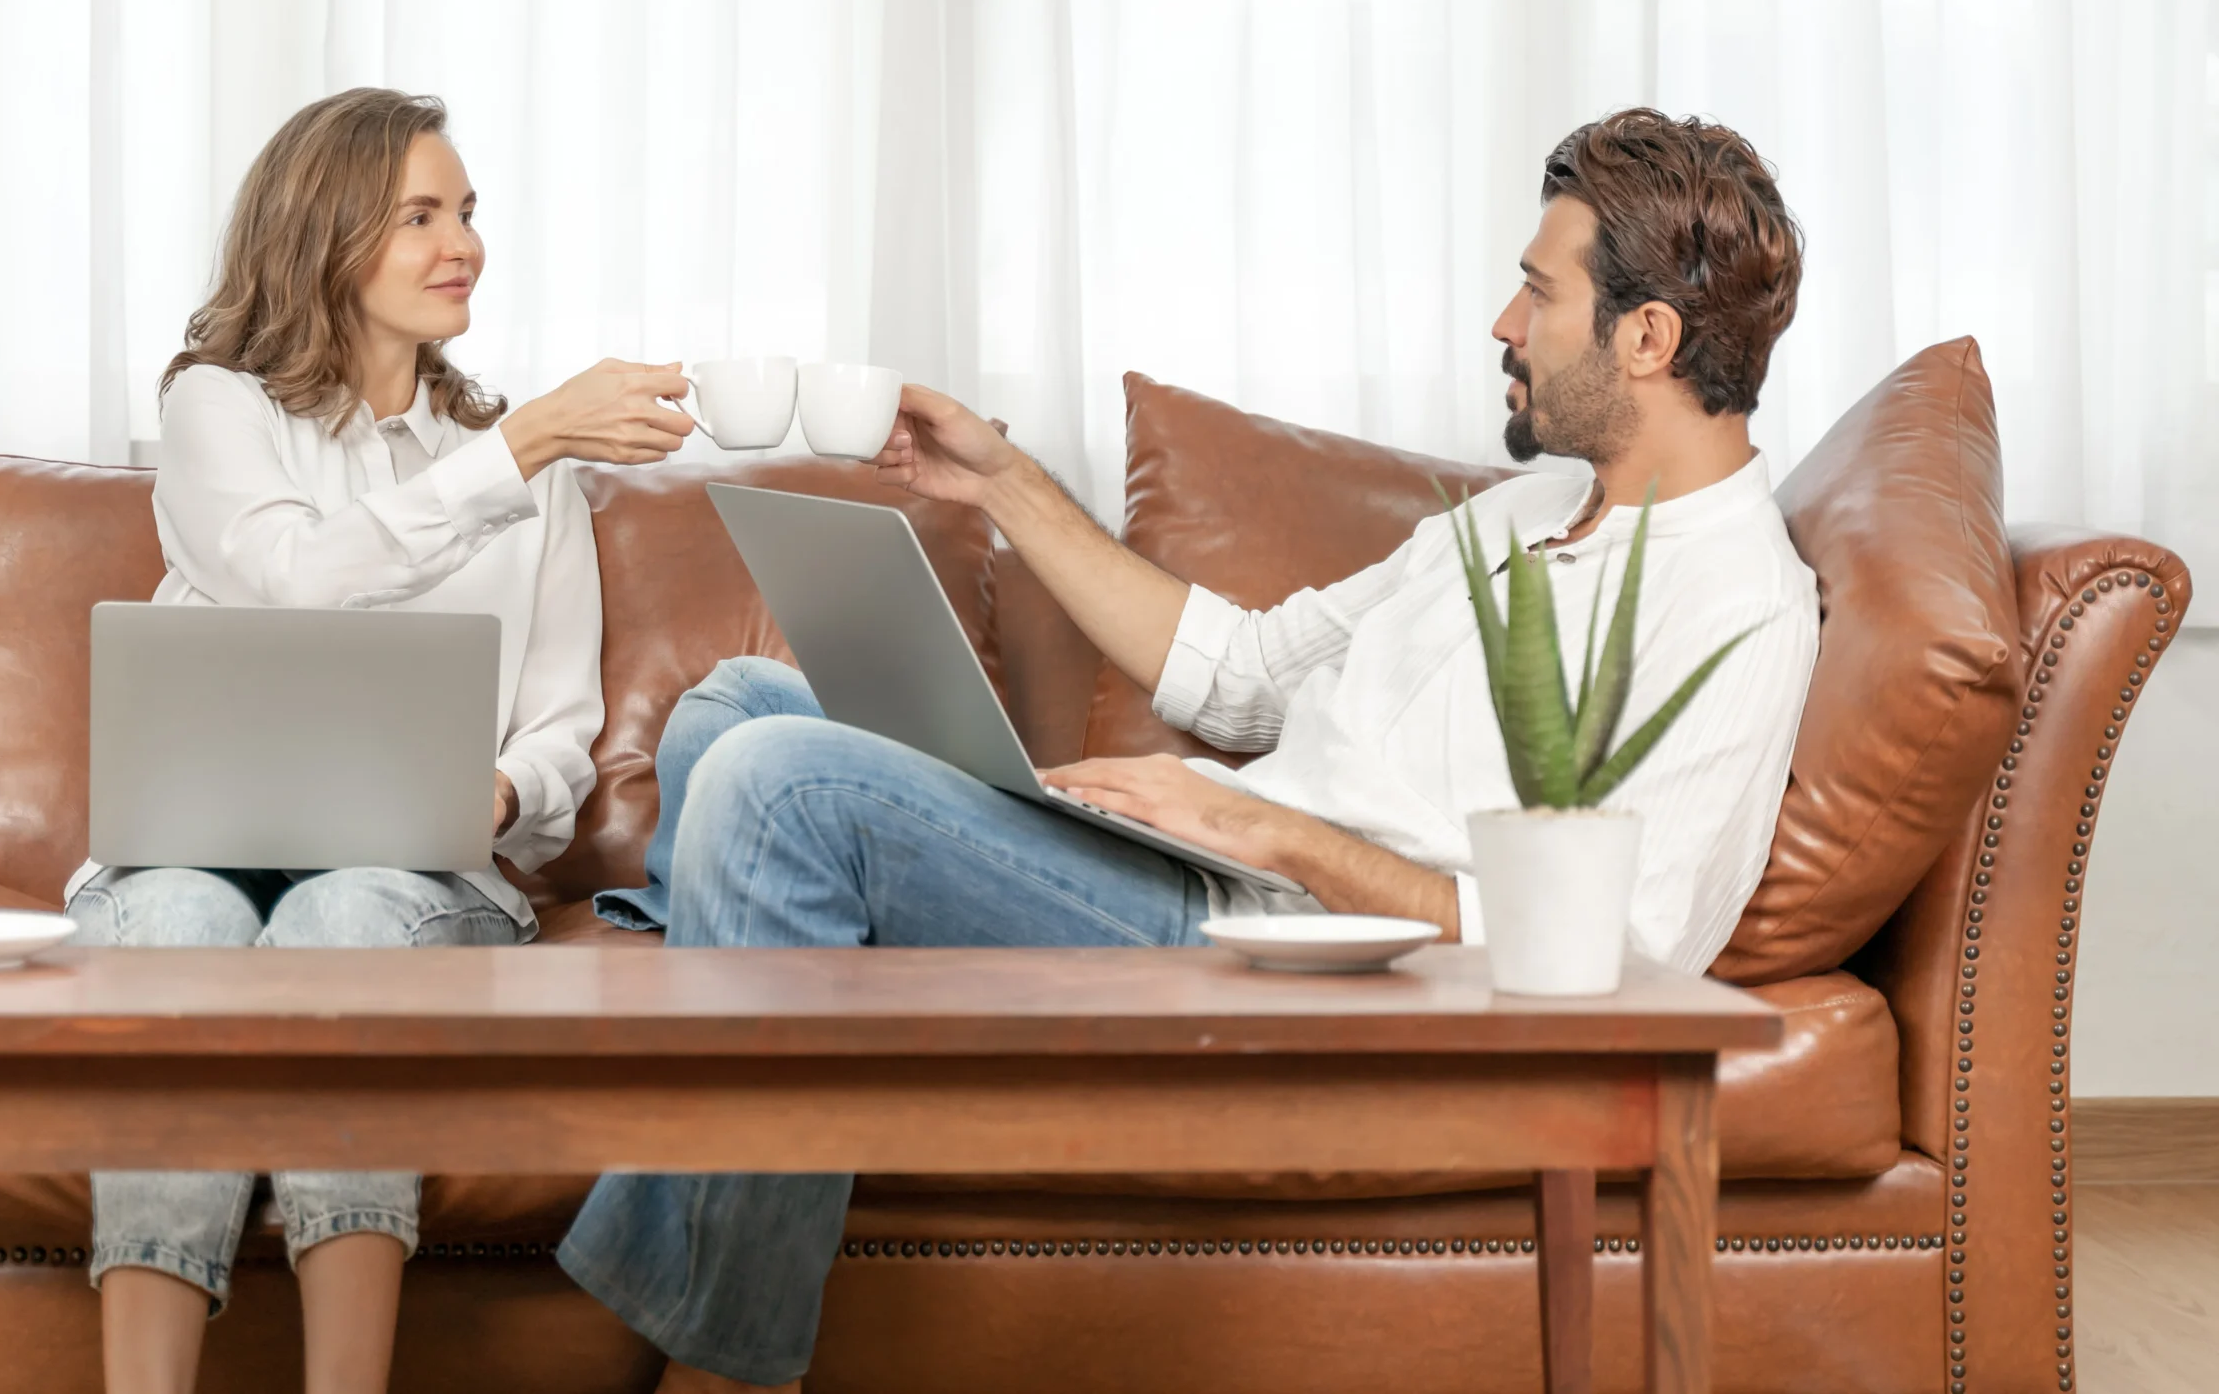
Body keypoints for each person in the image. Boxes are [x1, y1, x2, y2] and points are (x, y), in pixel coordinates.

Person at [562, 107, 1824, 1393]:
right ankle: (780, 1004)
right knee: (736, 705)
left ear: (1647, 337)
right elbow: (1244, 676)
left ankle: (719, 1367)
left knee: (780, 789)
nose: (1505, 323)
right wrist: (1001, 482)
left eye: (1536, 291)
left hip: (1295, 955)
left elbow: (1637, 947)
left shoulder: (1736, 598)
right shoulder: (1527, 510)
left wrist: (1270, 831)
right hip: (1211, 869)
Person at [65, 87, 693, 1394]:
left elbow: (565, 726)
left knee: (341, 919)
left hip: (419, 881)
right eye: (418, 214)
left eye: (465, 211)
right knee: (179, 928)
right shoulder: (218, 409)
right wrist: (514, 449)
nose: (459, 240)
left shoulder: (528, 460)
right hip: (192, 852)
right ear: (324, 231)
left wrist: (506, 787)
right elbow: (297, 579)